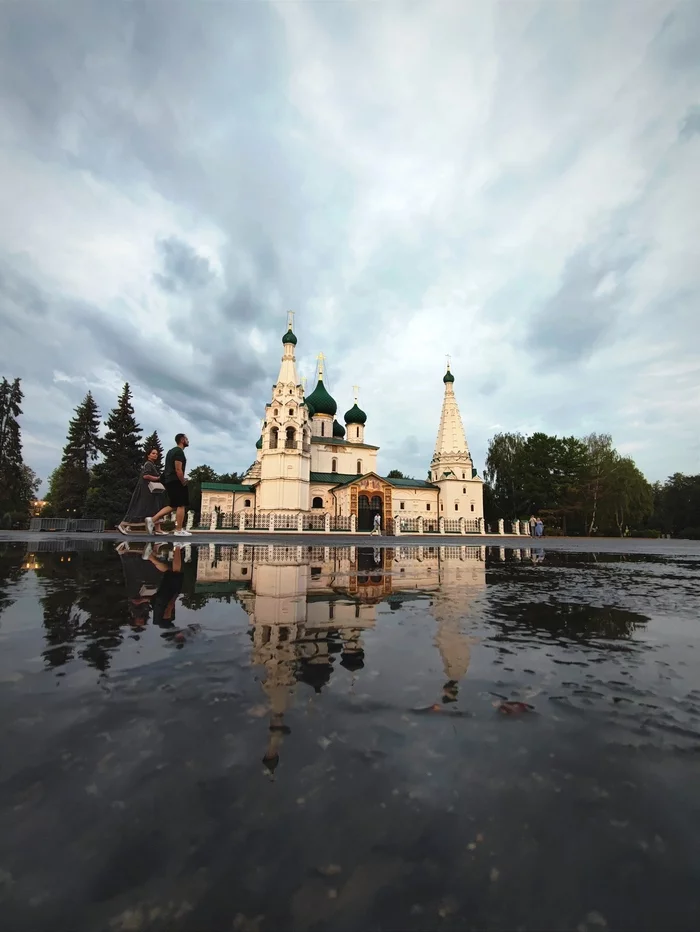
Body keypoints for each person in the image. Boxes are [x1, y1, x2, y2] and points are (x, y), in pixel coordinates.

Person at [146, 433, 191, 537]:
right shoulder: (179, 452)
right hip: (176, 480)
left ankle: (152, 520)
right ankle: (178, 530)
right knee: (181, 504)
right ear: (182, 440)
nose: (188, 441)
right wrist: (183, 480)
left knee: (173, 505)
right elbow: (178, 469)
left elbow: (168, 468)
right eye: (186, 439)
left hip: (169, 480)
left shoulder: (171, 451)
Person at [118, 448, 166, 535]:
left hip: (150, 491)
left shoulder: (151, 464)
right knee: (140, 507)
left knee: (155, 507)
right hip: (146, 490)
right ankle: (123, 524)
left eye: (156, 454)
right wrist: (158, 478)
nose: (155, 455)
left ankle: (158, 529)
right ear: (148, 455)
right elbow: (145, 476)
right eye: (153, 453)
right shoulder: (148, 464)